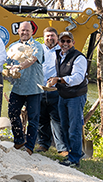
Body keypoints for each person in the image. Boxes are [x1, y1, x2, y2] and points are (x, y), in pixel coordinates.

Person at [47, 32, 88, 168]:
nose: (65, 44)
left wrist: (58, 80)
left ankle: (74, 159)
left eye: (68, 41)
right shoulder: (58, 55)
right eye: (62, 41)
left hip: (76, 96)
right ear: (59, 42)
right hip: (63, 95)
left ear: (73, 42)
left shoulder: (79, 58)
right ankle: (75, 151)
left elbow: (77, 78)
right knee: (64, 125)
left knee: (74, 127)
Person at [6, 21, 44, 155]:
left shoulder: (37, 46)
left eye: (27, 30)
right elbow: (8, 64)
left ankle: (29, 147)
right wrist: (9, 70)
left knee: (33, 118)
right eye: (22, 30)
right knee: (12, 112)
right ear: (18, 31)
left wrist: (19, 67)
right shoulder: (12, 47)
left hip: (34, 87)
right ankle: (19, 140)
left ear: (32, 32)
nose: (24, 33)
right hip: (18, 87)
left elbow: (32, 59)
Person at [36, 27, 67, 156]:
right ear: (44, 37)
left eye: (53, 36)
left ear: (57, 37)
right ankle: (43, 144)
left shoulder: (62, 51)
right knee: (41, 118)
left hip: (56, 90)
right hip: (39, 88)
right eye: (47, 36)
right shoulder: (38, 50)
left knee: (57, 119)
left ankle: (62, 148)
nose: (50, 38)